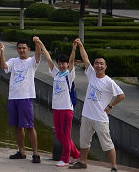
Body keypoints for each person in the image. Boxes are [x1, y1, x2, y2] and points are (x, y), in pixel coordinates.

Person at [69, 39, 126, 171]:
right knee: (84, 141)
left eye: (101, 64)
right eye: (97, 63)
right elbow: (85, 58)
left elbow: (121, 95)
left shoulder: (109, 82)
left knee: (107, 143)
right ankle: (83, 161)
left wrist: (110, 106)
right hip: (87, 115)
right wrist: (80, 46)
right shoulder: (91, 74)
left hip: (100, 117)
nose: (99, 66)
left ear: (105, 66)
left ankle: (114, 166)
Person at [34, 36, 80, 167]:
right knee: (60, 135)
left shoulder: (69, 75)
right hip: (57, 108)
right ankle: (76, 154)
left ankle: (65, 159)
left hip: (66, 109)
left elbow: (72, 61)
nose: (61, 65)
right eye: (59, 63)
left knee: (66, 134)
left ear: (67, 64)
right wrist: (40, 43)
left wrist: (74, 48)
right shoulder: (56, 73)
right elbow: (48, 58)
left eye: (63, 63)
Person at [0, 38, 42, 163]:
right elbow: (4, 66)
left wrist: (37, 43)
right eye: (19, 48)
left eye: (24, 48)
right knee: (17, 126)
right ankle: (21, 151)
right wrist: (2, 52)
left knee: (30, 126)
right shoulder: (13, 61)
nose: (22, 50)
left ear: (28, 49)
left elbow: (38, 55)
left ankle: (35, 153)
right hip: (13, 97)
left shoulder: (32, 62)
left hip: (26, 97)